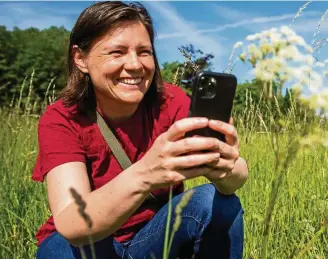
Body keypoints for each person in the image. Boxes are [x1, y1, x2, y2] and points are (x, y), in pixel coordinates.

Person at [31, 1, 248, 258]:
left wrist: (224, 164)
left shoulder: (171, 101)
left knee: (215, 202)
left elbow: (237, 178)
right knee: (60, 251)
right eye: (117, 52)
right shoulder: (62, 118)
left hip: (154, 237)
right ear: (81, 59)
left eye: (144, 52)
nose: (135, 64)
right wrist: (146, 173)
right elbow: (72, 223)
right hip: (90, 244)